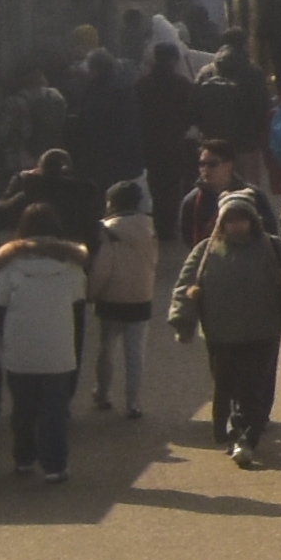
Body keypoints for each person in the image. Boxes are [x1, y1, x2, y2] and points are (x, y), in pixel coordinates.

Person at [173, 185, 281, 464]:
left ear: (253, 220)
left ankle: (245, 439)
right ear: (221, 222)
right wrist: (183, 322)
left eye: (242, 219)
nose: (236, 225)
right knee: (225, 385)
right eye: (230, 220)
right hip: (220, 335)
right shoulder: (206, 251)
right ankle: (230, 429)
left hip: (262, 333)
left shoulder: (274, 248)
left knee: (253, 388)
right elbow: (186, 286)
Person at [0, 196, 94, 484]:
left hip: (19, 347)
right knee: (54, 411)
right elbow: (78, 303)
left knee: (22, 408)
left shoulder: (10, 266)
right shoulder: (71, 267)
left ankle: (23, 458)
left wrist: (3, 338)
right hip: (58, 347)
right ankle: (55, 465)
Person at [81, 179, 163, 417]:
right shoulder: (149, 228)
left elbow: (103, 267)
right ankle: (133, 402)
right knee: (135, 352)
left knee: (107, 349)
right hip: (141, 296)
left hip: (112, 297)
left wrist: (91, 292)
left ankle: (103, 393)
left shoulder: (107, 230)